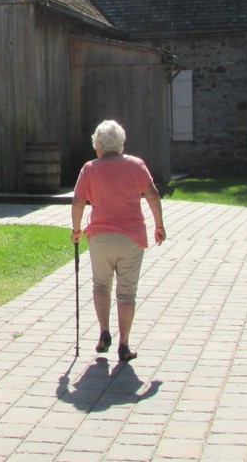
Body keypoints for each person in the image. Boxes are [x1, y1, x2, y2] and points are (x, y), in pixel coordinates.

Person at [71, 119, 166, 363]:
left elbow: (78, 201)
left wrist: (76, 229)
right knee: (127, 293)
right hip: (131, 238)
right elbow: (153, 196)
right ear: (121, 144)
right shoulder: (136, 165)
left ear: (98, 146)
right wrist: (159, 225)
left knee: (101, 284)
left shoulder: (89, 169)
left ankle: (104, 331)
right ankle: (124, 344)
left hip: (100, 237)